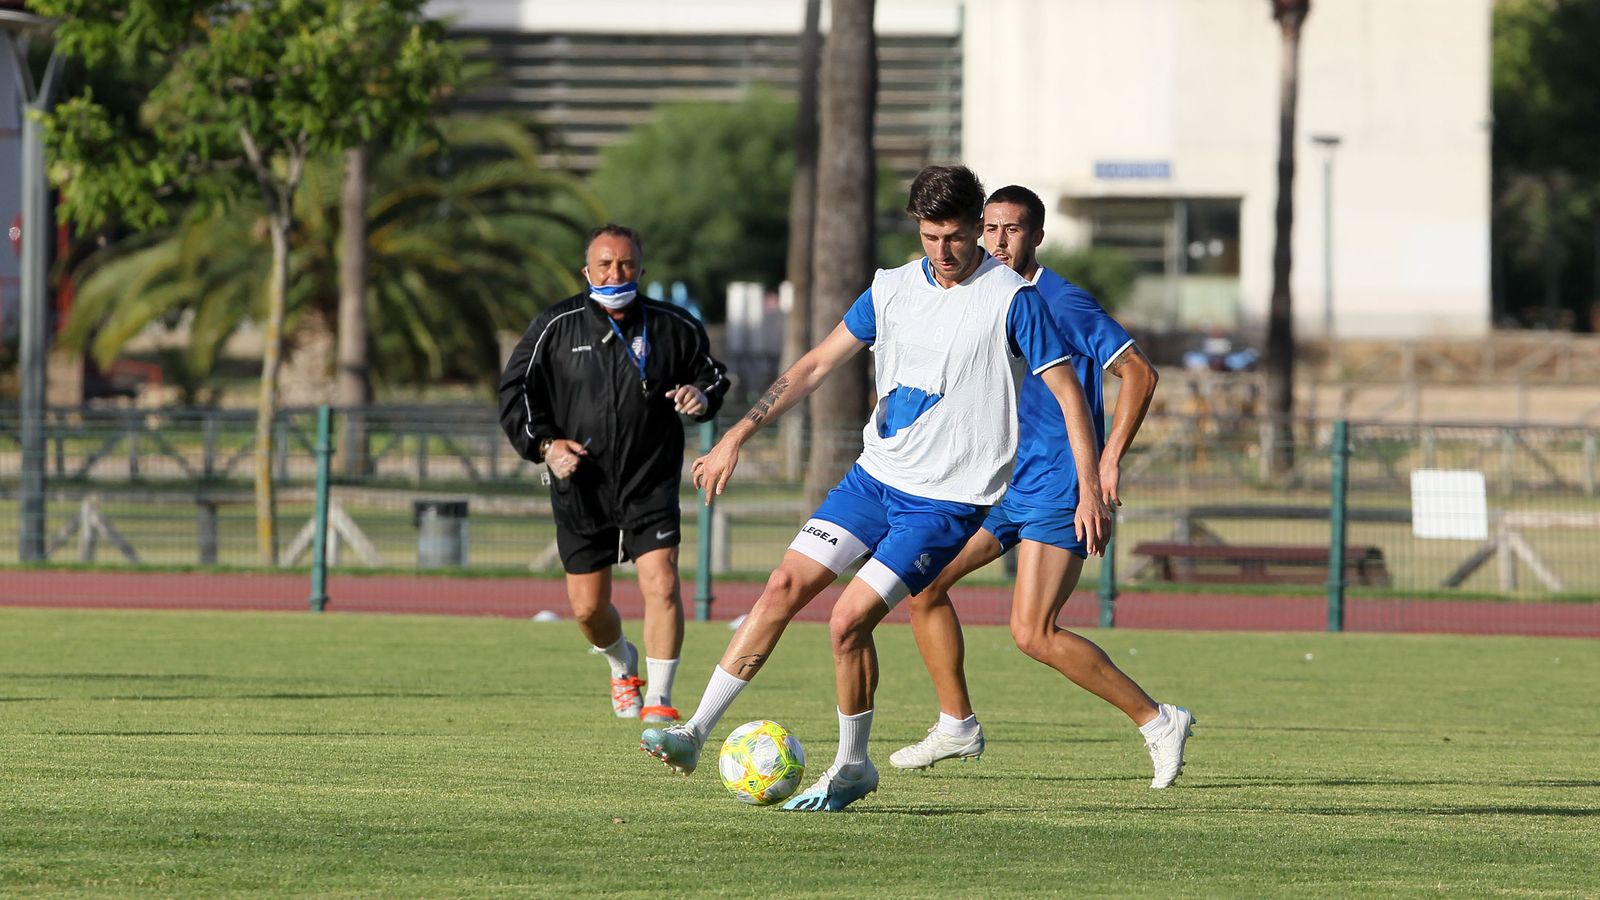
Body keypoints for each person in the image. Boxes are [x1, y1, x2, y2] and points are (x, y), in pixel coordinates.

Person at [640, 166, 1110, 811]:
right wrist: (735, 437)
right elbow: (812, 367)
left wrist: (1090, 486)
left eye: (952, 237)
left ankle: (852, 765)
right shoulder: (888, 290)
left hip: (947, 500)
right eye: (928, 237)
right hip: (872, 478)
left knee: (847, 619)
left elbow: (1070, 398)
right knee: (780, 588)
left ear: (977, 227)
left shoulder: (1012, 300)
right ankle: (694, 732)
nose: (941, 252)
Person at [889, 185, 1194, 788]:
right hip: (997, 484)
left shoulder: (1061, 300)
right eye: (992, 229)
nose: (1000, 241)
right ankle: (956, 724)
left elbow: (1140, 373)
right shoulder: (982, 298)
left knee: (1033, 633)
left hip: (1059, 487)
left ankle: (1158, 720)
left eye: (1014, 230)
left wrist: (1103, 469)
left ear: (1037, 236)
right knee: (921, 585)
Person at [498, 224, 729, 724]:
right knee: (587, 608)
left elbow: (713, 376)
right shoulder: (554, 327)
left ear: (640, 270)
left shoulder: (675, 325)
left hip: (650, 480)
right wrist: (544, 446)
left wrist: (701, 396)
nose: (615, 272)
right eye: (604, 264)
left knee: (662, 583)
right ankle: (622, 662)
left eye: (624, 264)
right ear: (587, 271)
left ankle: (661, 701)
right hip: (580, 484)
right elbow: (515, 392)